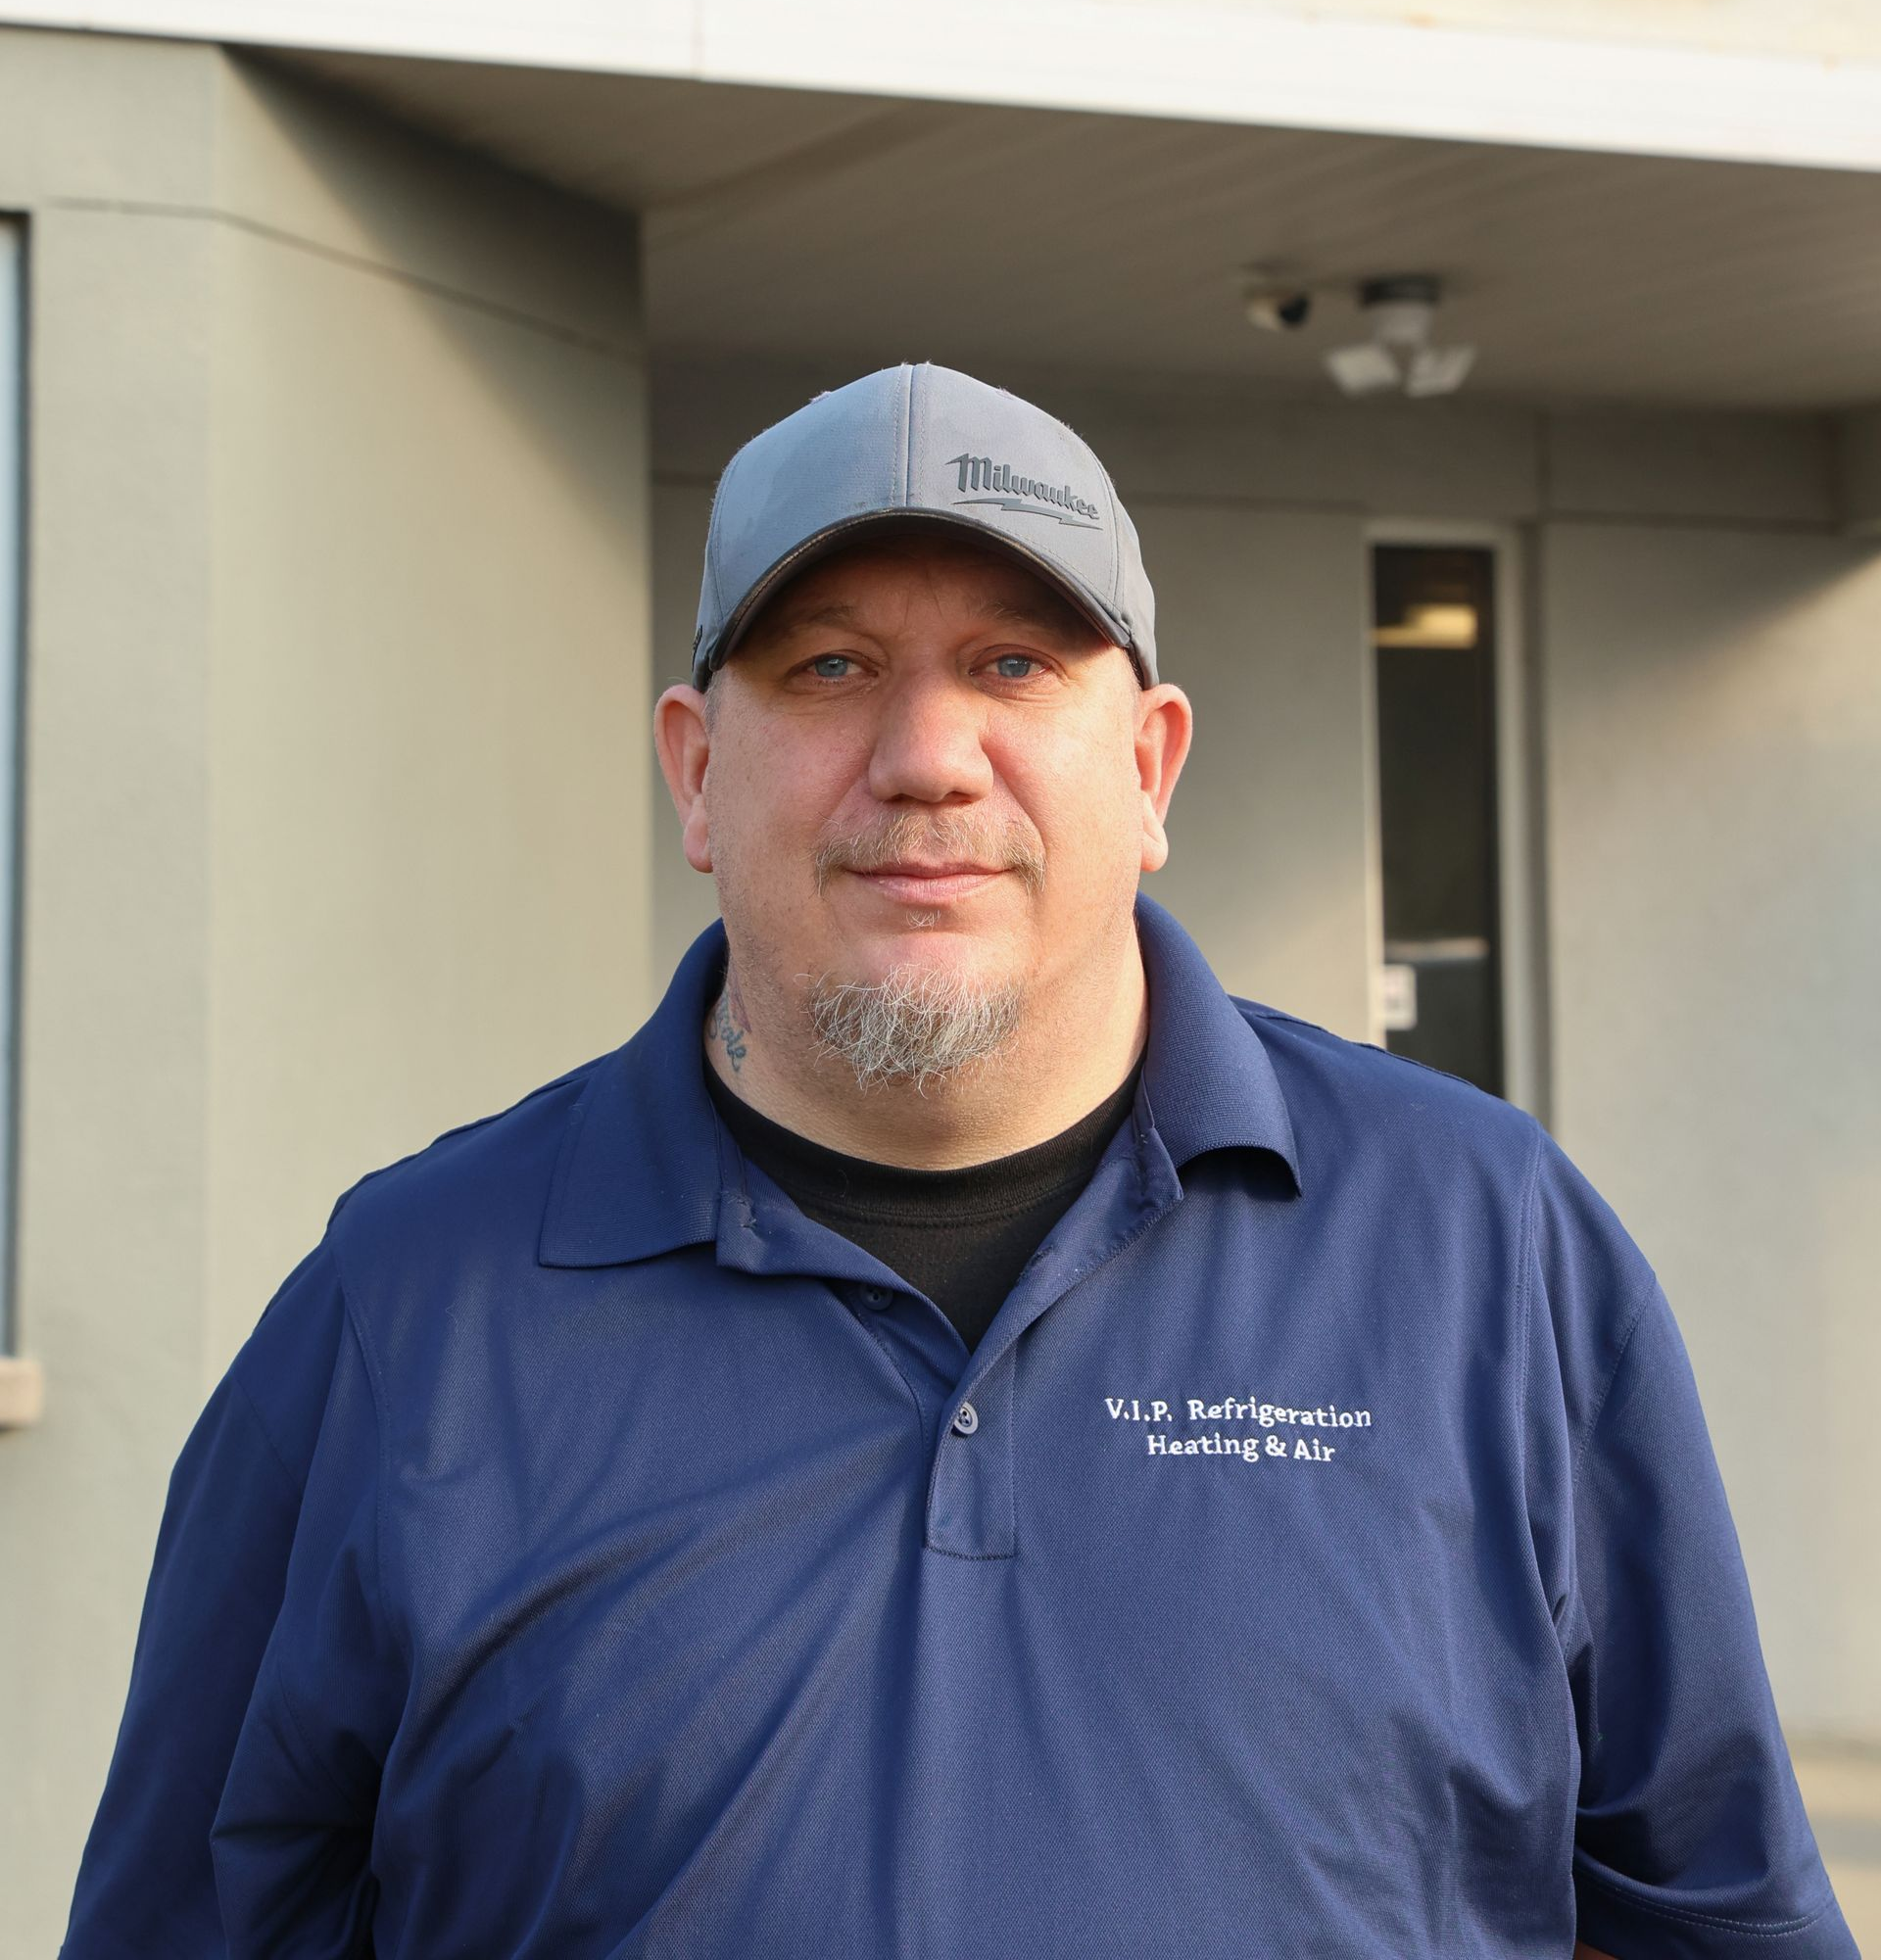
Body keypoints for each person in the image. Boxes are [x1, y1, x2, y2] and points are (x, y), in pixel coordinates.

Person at [61, 362, 1855, 1959]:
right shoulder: (402, 1311)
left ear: (1149, 767)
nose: (926, 758)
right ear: (696, 774)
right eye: (829, 665)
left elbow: (1715, 1909)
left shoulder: (1489, 1247)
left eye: (1014, 663)